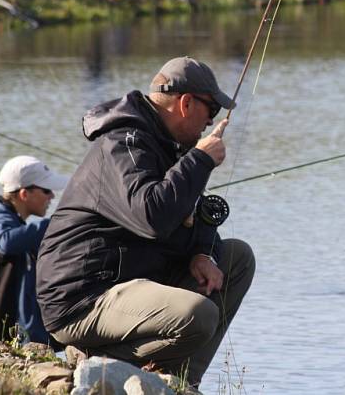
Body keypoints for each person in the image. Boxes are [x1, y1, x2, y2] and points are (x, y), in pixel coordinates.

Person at [37, 57, 255, 387]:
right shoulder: (123, 145)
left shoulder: (169, 147)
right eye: (210, 112)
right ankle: (98, 361)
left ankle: (181, 384)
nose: (211, 123)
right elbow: (152, 217)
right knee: (199, 314)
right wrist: (200, 159)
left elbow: (190, 215)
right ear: (185, 103)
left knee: (237, 258)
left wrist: (202, 253)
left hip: (132, 281)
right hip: (83, 298)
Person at [0, 156, 69, 344]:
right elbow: (5, 243)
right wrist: (55, 224)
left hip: (13, 335)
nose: (52, 196)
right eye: (46, 190)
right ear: (24, 194)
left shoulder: (11, 220)